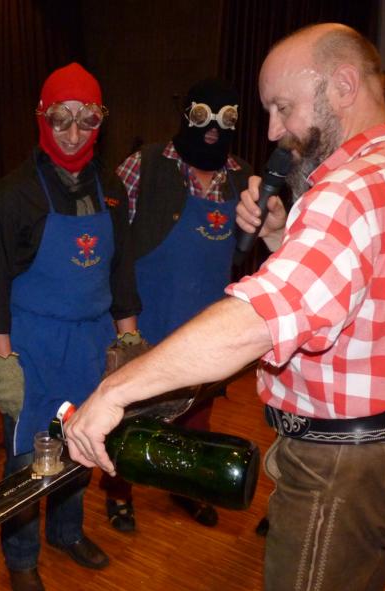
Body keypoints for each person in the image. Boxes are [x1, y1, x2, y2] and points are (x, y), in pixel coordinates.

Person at [65, 23, 385, 591]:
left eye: (283, 107)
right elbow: (358, 298)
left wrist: (113, 392)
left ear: (343, 85)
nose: (273, 130)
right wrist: (280, 236)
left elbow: (257, 320)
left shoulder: (349, 192)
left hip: (345, 469)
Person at [0, 62, 142, 591]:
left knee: (84, 442)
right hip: (33, 345)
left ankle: (68, 532)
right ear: (42, 118)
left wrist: (129, 341)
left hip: (91, 342)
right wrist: (3, 363)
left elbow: (121, 273)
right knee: (28, 457)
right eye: (61, 119)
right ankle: (21, 558)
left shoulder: (111, 190)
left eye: (86, 120)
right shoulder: (12, 195)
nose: (73, 133)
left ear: (101, 121)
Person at [102, 78, 253, 532]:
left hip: (206, 326)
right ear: (187, 114)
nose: (213, 129)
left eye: (225, 119)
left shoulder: (243, 177)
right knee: (130, 413)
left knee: (196, 417)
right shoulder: (144, 165)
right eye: (204, 116)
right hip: (148, 317)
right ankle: (118, 492)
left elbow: (245, 253)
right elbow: (112, 241)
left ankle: (186, 488)